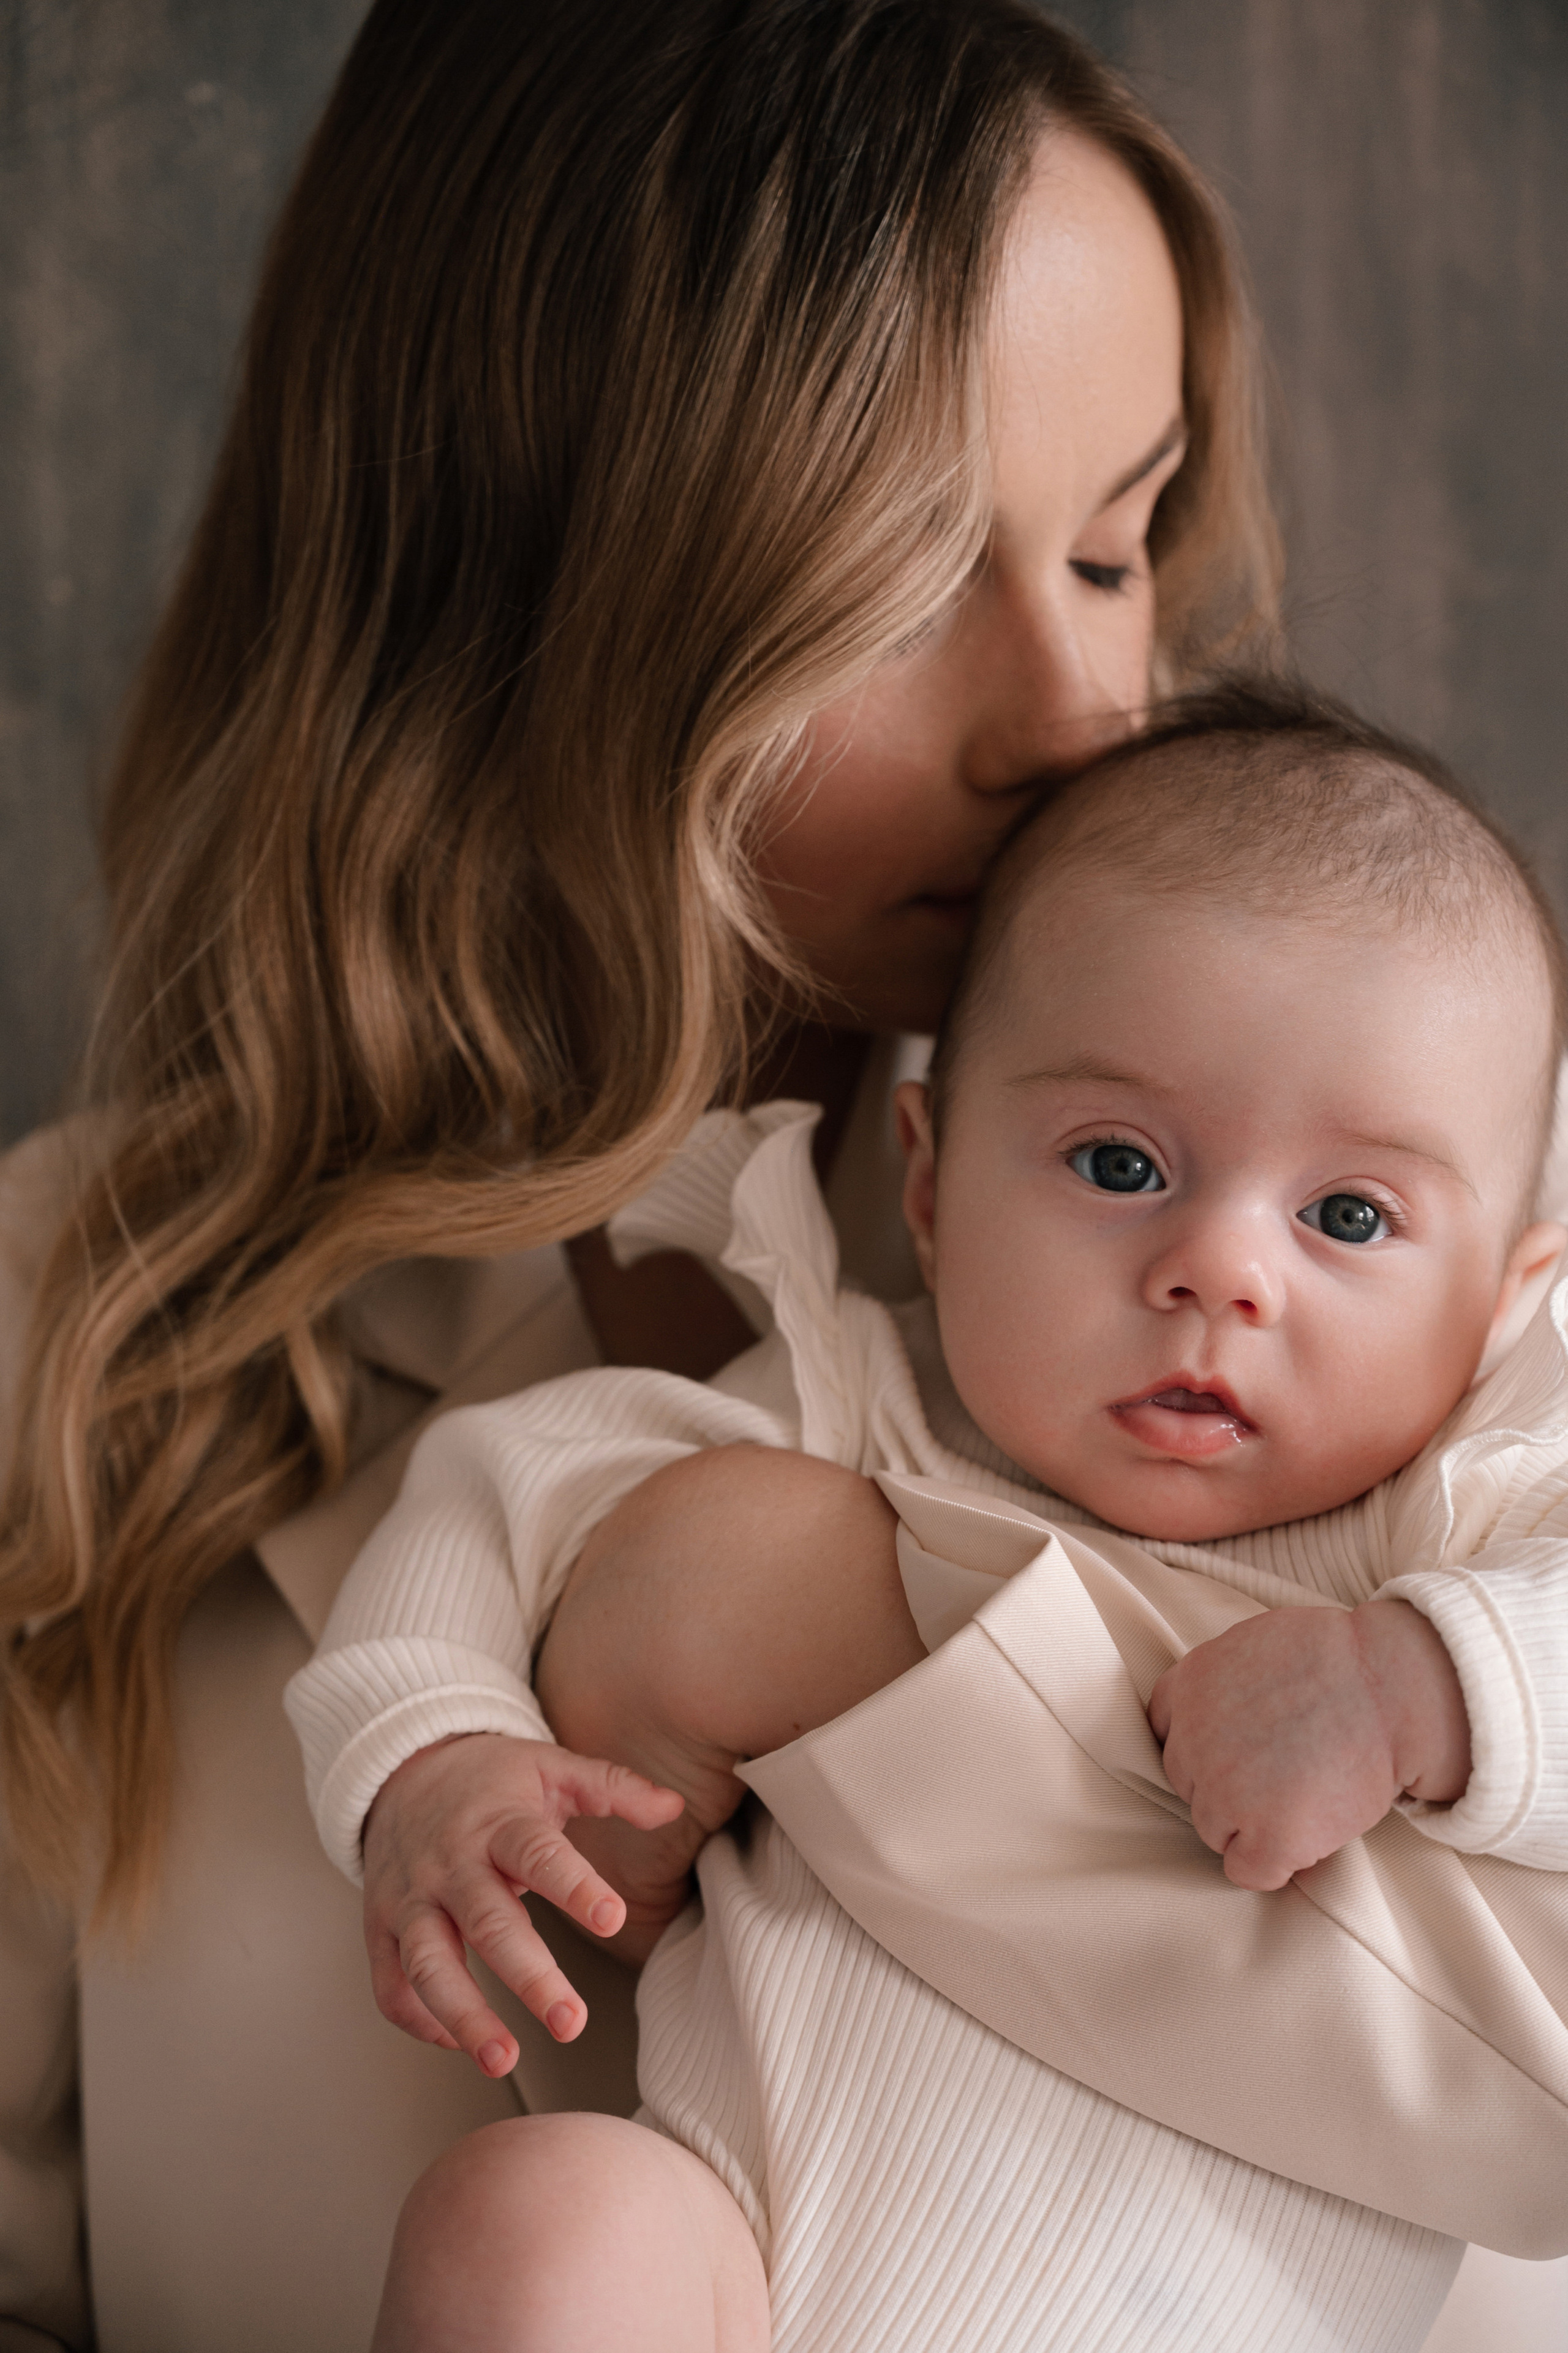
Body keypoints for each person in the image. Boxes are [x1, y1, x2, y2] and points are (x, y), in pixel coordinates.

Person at [0, 4, 1289, 2346]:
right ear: (514, 588)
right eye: (899, 587)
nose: (1084, 721)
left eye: (1117, 549)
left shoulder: (1361, 1264)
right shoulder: (61, 1344)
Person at [290, 692, 1568, 2352]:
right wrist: (430, 1752)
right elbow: (499, 1495)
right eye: (1119, 1162)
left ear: (1507, 1299)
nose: (1221, 1270)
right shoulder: (851, 1399)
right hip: (735, 2285)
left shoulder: (1469, 1513)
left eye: (1347, 1213)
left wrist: (1428, 1679)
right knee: (538, 2214)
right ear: (930, 1175)